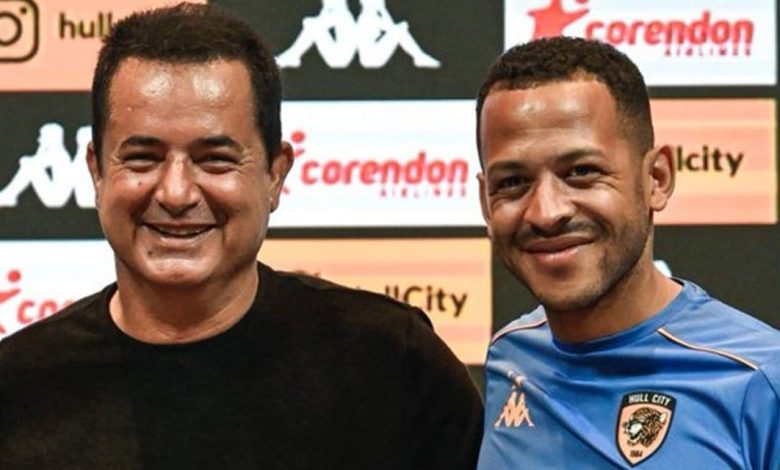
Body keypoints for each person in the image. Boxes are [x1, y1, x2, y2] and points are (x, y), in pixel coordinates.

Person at [0, 4, 483, 469]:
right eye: (143, 158)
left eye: (215, 160)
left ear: (276, 174)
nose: (175, 193)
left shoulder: (392, 364)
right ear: (97, 172)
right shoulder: (16, 387)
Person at [475, 37, 780, 469]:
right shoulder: (510, 356)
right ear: (486, 202)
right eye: (512, 182)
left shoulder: (761, 379)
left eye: (581, 172)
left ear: (656, 178)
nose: (546, 212)